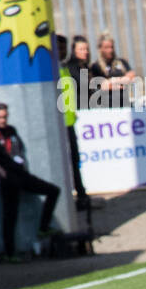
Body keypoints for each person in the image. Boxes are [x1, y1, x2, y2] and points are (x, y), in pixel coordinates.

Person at [0, 102, 60, 261]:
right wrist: (4, 174)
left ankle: (44, 227)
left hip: (21, 174)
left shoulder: (11, 131)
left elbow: (19, 150)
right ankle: (10, 253)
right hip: (8, 179)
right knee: (10, 215)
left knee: (53, 190)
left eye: (4, 117)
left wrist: (23, 166)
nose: (2, 120)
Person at [60, 35, 89, 209]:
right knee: (65, 161)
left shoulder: (64, 68)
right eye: (59, 48)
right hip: (59, 124)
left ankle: (81, 194)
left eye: (63, 48)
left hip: (69, 121)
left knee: (75, 159)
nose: (62, 52)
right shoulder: (52, 69)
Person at [89, 33, 135, 109]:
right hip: (107, 108)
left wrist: (112, 81)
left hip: (124, 105)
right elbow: (104, 86)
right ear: (100, 48)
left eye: (111, 47)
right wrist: (121, 81)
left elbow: (131, 76)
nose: (110, 50)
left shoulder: (121, 62)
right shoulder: (96, 67)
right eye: (106, 47)